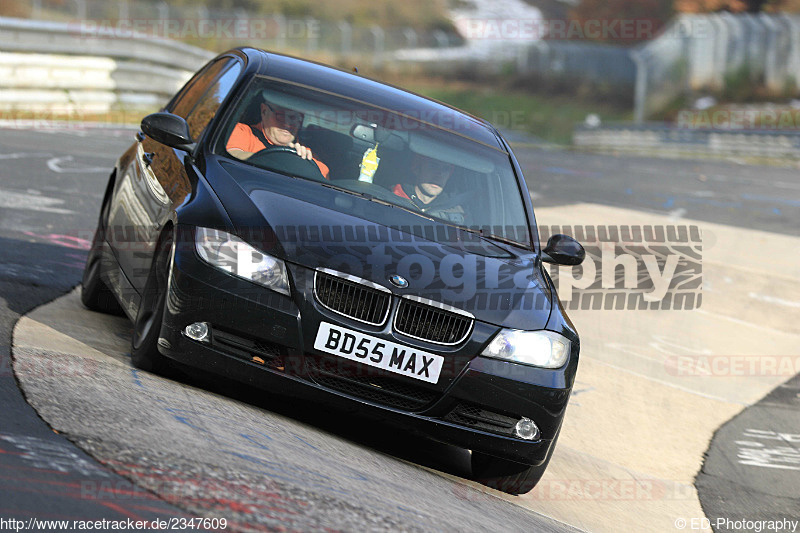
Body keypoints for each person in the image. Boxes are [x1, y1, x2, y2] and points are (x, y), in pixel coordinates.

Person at [226, 97, 329, 179]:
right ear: (264, 111)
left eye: (294, 117)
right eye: (281, 115)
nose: (288, 124)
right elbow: (231, 155)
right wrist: (287, 161)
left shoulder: (306, 155)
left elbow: (324, 184)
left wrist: (301, 162)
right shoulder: (243, 132)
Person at [392, 154, 465, 224]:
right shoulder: (391, 197)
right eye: (433, 166)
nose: (439, 175)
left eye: (445, 169)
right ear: (416, 168)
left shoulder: (455, 213)